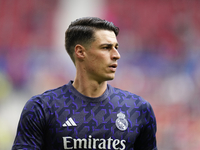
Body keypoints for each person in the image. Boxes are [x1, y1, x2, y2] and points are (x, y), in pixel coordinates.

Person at [12, 17, 157, 150]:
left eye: (116, 48)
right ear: (80, 52)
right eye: (106, 48)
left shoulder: (138, 109)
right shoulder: (42, 108)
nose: (116, 55)